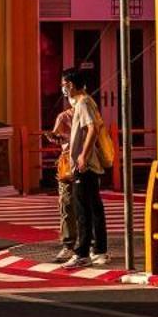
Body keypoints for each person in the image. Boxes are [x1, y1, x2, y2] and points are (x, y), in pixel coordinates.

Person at [61, 68, 108, 267]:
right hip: (87, 163)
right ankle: (99, 250)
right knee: (93, 207)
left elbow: (93, 129)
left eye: (63, 85)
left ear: (70, 85)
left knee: (83, 210)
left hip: (85, 165)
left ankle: (82, 253)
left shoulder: (83, 103)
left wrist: (82, 155)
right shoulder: (87, 102)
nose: (63, 89)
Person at [48, 100, 80, 262]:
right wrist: (57, 138)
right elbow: (56, 137)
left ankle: (89, 243)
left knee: (86, 204)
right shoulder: (63, 117)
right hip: (68, 164)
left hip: (86, 163)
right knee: (67, 203)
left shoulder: (90, 113)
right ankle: (68, 244)